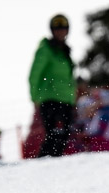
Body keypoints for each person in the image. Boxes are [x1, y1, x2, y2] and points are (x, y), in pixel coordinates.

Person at [28, 14, 76, 157]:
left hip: (66, 100)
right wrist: (35, 98)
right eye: (57, 29)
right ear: (52, 30)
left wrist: (73, 99)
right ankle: (43, 165)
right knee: (54, 135)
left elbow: (69, 78)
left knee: (63, 137)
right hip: (49, 99)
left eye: (63, 28)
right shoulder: (45, 49)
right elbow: (34, 75)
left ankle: (54, 168)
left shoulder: (65, 51)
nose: (61, 31)